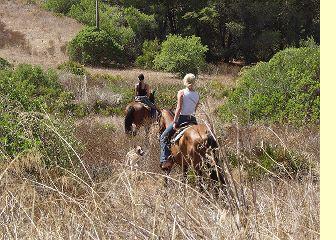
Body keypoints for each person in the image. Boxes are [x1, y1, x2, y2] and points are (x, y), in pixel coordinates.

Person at [160, 73, 200, 170]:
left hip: (182, 118)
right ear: (194, 82)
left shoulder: (181, 92)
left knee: (163, 137)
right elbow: (195, 109)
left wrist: (174, 122)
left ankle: (165, 160)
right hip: (193, 119)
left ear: (185, 81)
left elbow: (178, 108)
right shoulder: (197, 95)